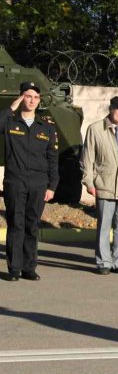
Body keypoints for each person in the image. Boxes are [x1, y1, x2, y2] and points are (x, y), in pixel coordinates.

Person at [1, 81, 58, 281]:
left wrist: (52, 186)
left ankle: (29, 267)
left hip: (38, 183)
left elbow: (52, 158)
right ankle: (14, 268)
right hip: (15, 182)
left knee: (32, 225)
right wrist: (11, 107)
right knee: (16, 224)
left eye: (35, 97)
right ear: (21, 98)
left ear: (39, 100)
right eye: (28, 96)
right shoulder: (10, 122)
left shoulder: (46, 128)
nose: (32, 100)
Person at [80, 96, 118, 275]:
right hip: (103, 184)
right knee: (104, 225)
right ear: (111, 109)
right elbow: (87, 157)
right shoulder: (95, 129)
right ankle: (103, 262)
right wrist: (88, 181)